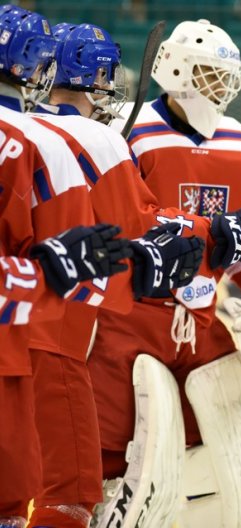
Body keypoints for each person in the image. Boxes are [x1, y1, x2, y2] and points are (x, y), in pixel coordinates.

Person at [26, 20, 241, 528]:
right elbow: (133, 227)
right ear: (176, 70)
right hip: (128, 320)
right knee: (107, 465)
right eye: (211, 75)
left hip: (201, 326)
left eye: (226, 77)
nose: (221, 88)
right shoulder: (124, 138)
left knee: (212, 474)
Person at [0, 6, 199, 527]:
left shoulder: (26, 128)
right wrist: (212, 232)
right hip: (43, 341)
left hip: (21, 331)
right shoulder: (89, 139)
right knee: (66, 497)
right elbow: (139, 228)